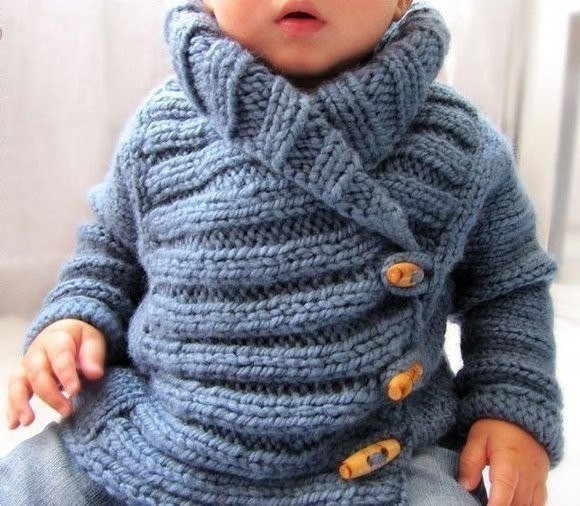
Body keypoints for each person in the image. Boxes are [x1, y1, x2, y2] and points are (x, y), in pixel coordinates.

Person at [1, 0, 563, 504]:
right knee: (34, 482)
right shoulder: (161, 129)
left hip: (374, 454)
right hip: (162, 435)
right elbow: (112, 251)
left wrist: (509, 404)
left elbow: (508, 285)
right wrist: (75, 319)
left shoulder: (458, 147)